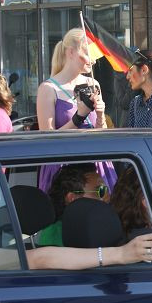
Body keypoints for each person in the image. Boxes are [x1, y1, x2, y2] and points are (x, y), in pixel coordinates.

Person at [36, 28, 115, 193]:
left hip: (95, 165)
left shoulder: (93, 84)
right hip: (62, 169)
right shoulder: (48, 89)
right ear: (71, 52)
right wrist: (78, 117)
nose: (93, 60)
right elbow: (47, 139)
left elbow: (102, 133)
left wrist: (100, 115)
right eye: (88, 53)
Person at [39, 163, 111, 246]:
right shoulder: (54, 235)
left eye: (107, 190)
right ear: (72, 198)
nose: (108, 197)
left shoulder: (96, 226)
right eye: (100, 191)